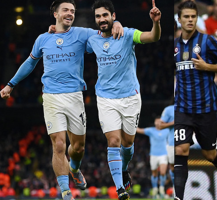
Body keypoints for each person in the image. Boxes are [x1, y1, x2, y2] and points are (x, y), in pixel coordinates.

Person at [0, 1, 123, 200]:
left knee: (78, 148)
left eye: (73, 11)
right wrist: (10, 84)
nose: (70, 14)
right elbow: (30, 63)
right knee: (58, 145)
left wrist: (118, 25)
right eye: (65, 10)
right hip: (51, 97)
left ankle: (74, 168)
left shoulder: (82, 34)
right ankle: (66, 192)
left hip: (75, 97)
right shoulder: (42, 39)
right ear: (55, 14)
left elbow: (104, 35)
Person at [86, 0, 161, 199]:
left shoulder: (127, 33)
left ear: (113, 16)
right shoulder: (92, 39)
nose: (101, 19)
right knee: (113, 140)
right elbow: (70, 39)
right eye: (98, 16)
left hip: (130, 98)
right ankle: (120, 189)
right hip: (105, 98)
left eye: (105, 15)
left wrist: (156, 23)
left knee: (127, 144)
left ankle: (125, 168)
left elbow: (153, 37)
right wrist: (55, 28)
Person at [174, 1, 217, 200]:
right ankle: (178, 197)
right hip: (183, 108)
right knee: (181, 149)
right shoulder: (174, 46)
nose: (190, 20)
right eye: (186, 16)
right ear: (179, 19)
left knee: (209, 154)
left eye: (193, 16)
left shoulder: (207, 41)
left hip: (206, 108)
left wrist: (207, 67)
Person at [136, 117, 169, 199]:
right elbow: (139, 130)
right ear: (154, 123)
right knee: (154, 173)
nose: (158, 123)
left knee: (163, 172)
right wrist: (131, 125)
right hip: (153, 155)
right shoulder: (151, 130)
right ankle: (155, 190)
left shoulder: (167, 130)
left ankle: (161, 190)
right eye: (156, 122)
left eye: (159, 122)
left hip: (163, 154)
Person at [157, 104, 175, 186]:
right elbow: (160, 126)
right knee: (173, 168)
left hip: (189, 142)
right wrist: (173, 123)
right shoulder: (169, 109)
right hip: (172, 143)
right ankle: (176, 188)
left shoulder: (190, 106)